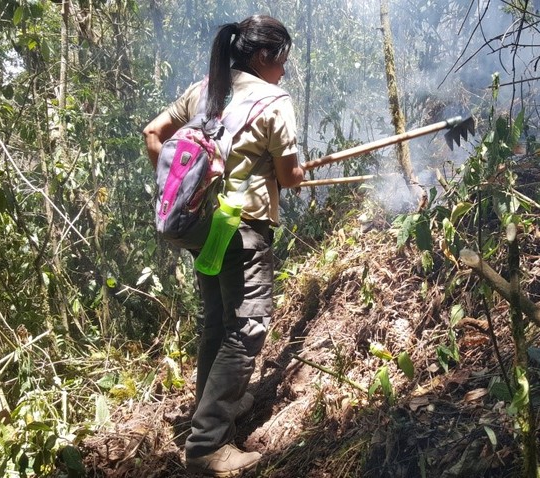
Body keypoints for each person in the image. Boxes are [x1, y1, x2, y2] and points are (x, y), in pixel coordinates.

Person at [142, 15, 304, 477]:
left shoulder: (204, 88)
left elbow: (153, 133)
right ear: (262, 57)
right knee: (248, 326)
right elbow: (291, 177)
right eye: (282, 61)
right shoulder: (275, 101)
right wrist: (295, 173)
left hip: (201, 226)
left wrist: (179, 185)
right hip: (242, 230)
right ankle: (208, 446)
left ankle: (210, 408)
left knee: (217, 319)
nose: (285, 72)